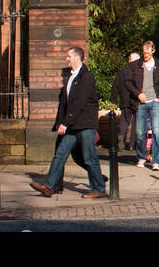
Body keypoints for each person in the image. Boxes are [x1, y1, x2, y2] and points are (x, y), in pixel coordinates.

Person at [31, 46, 107, 198]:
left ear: (77, 58)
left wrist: (65, 123)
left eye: (68, 56)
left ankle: (98, 188)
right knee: (60, 155)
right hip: (72, 126)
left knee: (89, 158)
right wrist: (60, 122)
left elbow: (79, 102)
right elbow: (64, 105)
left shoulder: (87, 77)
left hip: (85, 125)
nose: (66, 59)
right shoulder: (71, 78)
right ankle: (49, 186)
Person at [122, 40, 159, 170]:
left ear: (153, 51)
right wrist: (138, 94)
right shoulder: (136, 65)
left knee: (157, 131)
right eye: (144, 53)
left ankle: (156, 161)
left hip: (154, 102)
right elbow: (127, 82)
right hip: (140, 102)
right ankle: (142, 157)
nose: (146, 55)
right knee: (139, 132)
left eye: (148, 53)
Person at [112, 52, 141, 149]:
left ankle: (121, 135)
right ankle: (132, 143)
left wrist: (114, 98)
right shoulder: (139, 71)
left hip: (125, 99)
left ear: (129, 60)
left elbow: (115, 85)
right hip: (136, 98)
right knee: (136, 121)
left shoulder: (123, 71)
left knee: (124, 120)